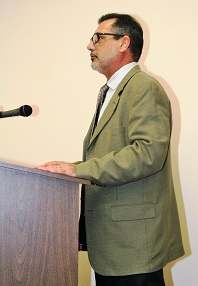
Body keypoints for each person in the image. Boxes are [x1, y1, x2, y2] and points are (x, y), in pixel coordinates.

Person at [37, 13, 184, 286]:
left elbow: (147, 153)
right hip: (114, 244)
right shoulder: (111, 91)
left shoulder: (143, 87)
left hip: (134, 245)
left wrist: (80, 169)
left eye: (97, 38)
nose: (90, 46)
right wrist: (66, 168)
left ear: (123, 42)